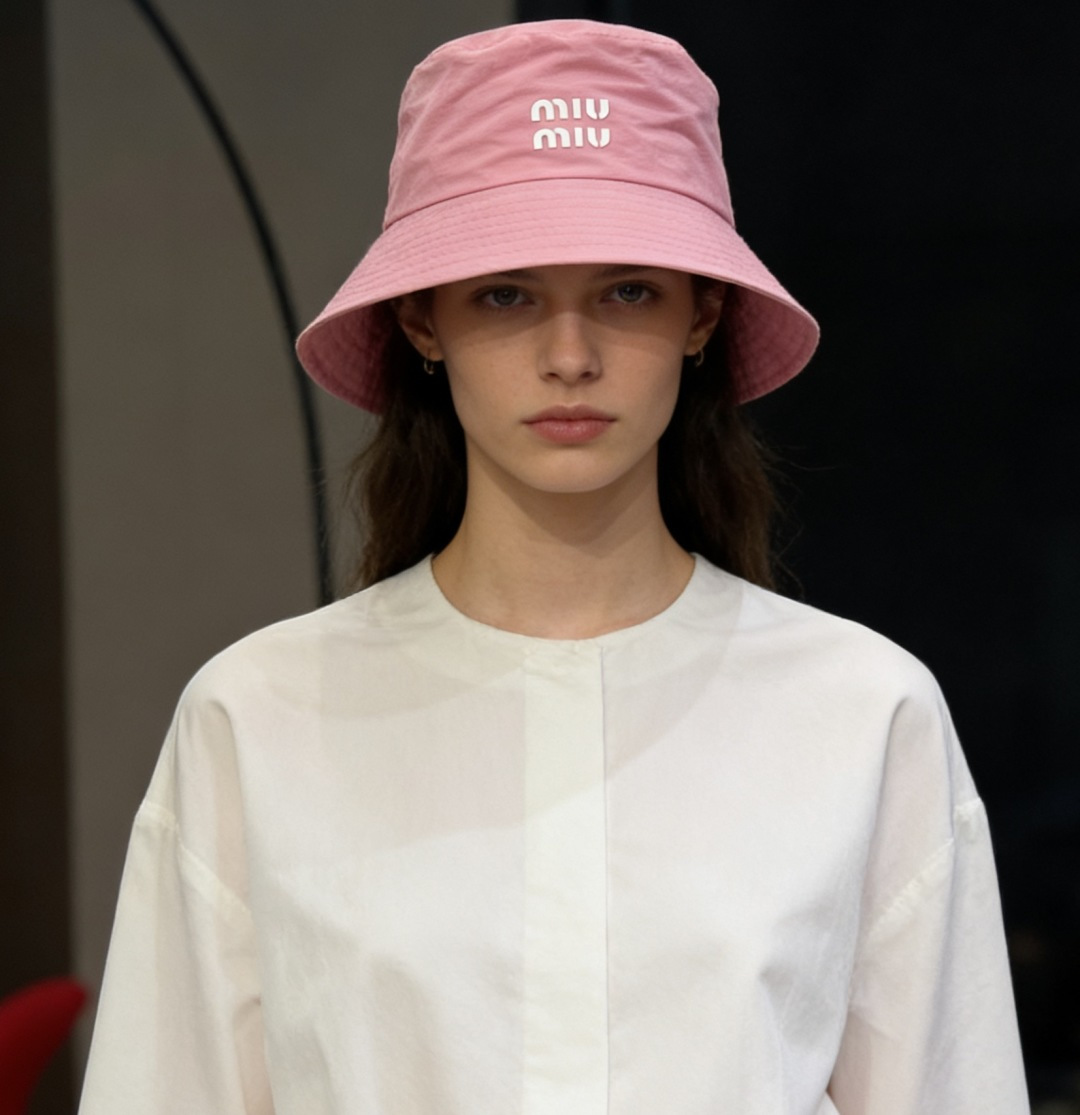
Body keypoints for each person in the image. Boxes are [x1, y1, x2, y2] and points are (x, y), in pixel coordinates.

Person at [78, 19, 1029, 1115]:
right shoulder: (259, 717)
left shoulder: (863, 715)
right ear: (422, 321)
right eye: (505, 293)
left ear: (703, 314)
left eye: (628, 291)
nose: (569, 356)